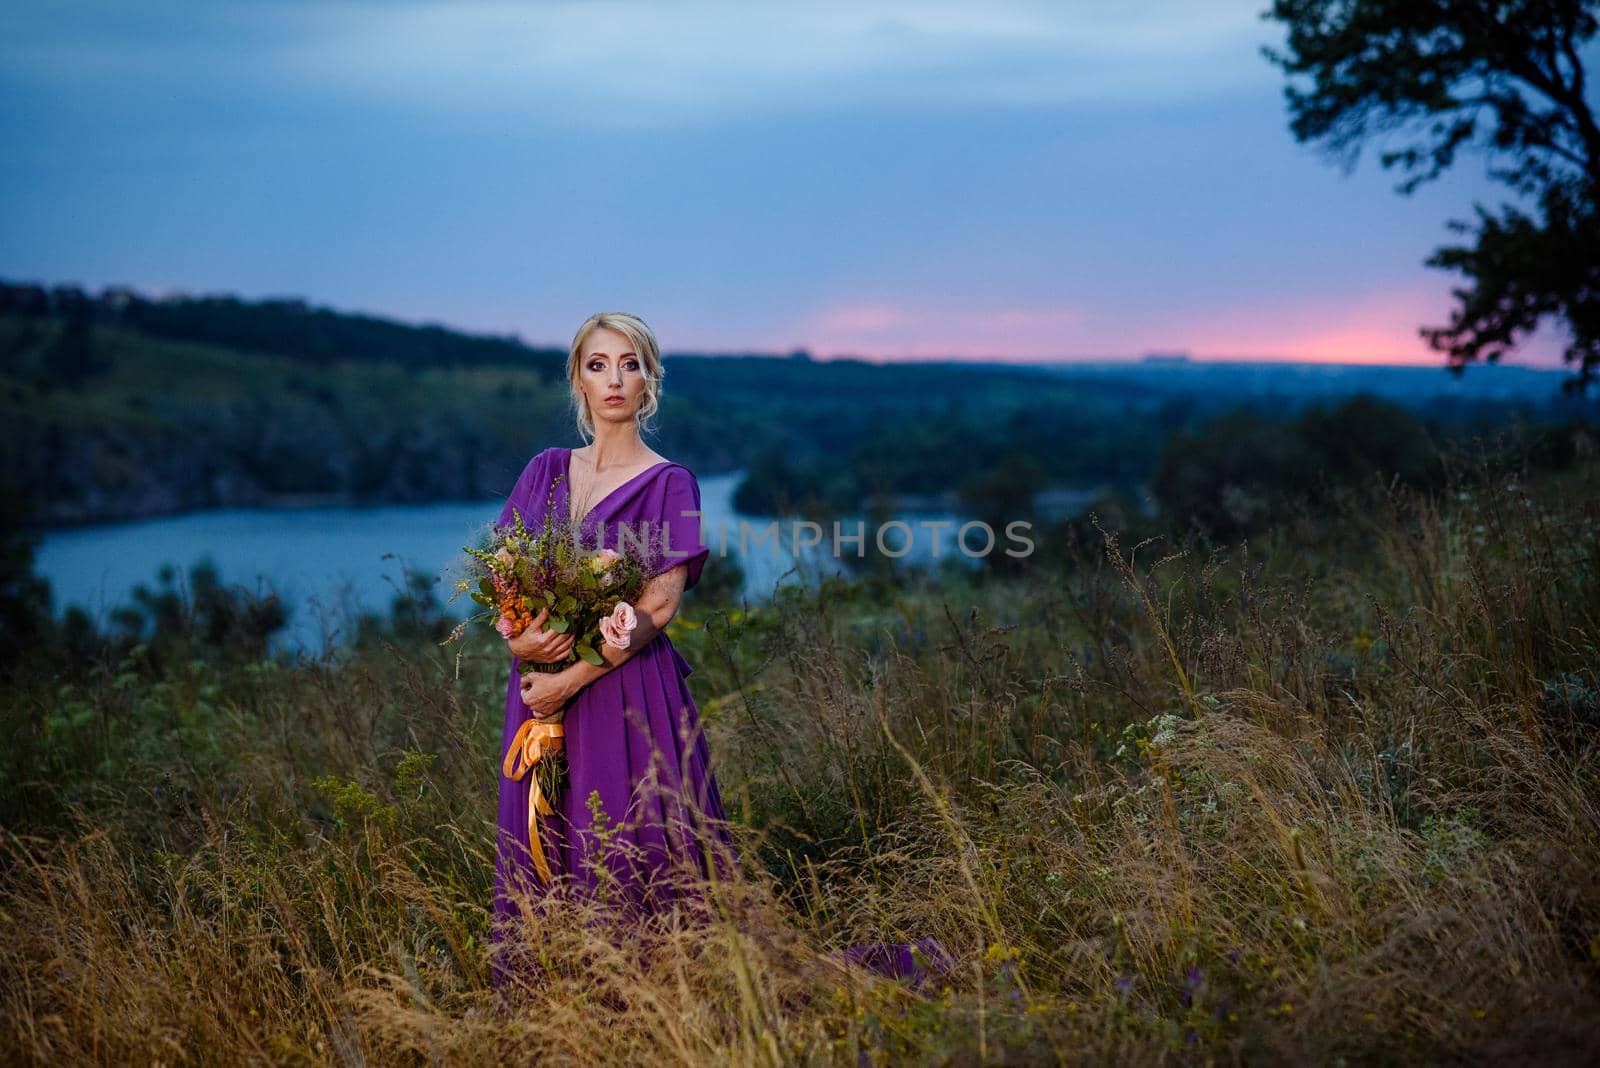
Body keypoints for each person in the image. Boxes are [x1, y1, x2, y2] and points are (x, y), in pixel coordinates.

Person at [489, 311, 952, 995]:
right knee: (545, 843)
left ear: (649, 382)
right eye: (598, 365)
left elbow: (658, 606)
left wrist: (571, 678)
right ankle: (558, 1004)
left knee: (630, 843)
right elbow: (506, 582)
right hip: (536, 696)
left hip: (623, 694)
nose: (614, 379)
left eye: (630, 364)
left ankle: (654, 1000)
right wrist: (523, 641)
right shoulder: (544, 472)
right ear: (577, 381)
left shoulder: (670, 482)